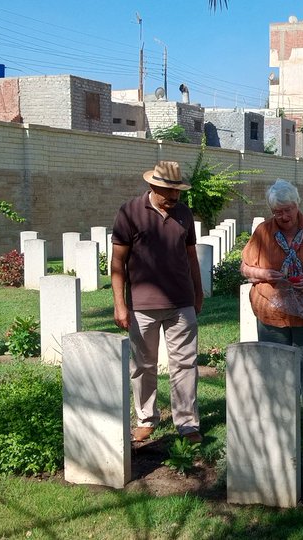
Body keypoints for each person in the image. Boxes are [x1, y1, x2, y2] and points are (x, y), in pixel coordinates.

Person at [111, 160, 205, 444]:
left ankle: (187, 423)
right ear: (152, 186)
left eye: (177, 192)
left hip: (181, 303)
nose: (174, 197)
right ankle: (146, 418)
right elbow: (118, 261)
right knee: (143, 365)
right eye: (168, 192)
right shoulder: (129, 213)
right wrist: (119, 304)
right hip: (142, 305)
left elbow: (191, 257)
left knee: (185, 364)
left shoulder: (184, 214)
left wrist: (197, 292)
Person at [240, 179, 303, 429]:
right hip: (272, 313)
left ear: (297, 205)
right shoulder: (263, 232)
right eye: (277, 211)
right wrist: (263, 274)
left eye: (287, 209)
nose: (283, 216)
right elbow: (245, 267)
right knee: (275, 368)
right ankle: (279, 421)